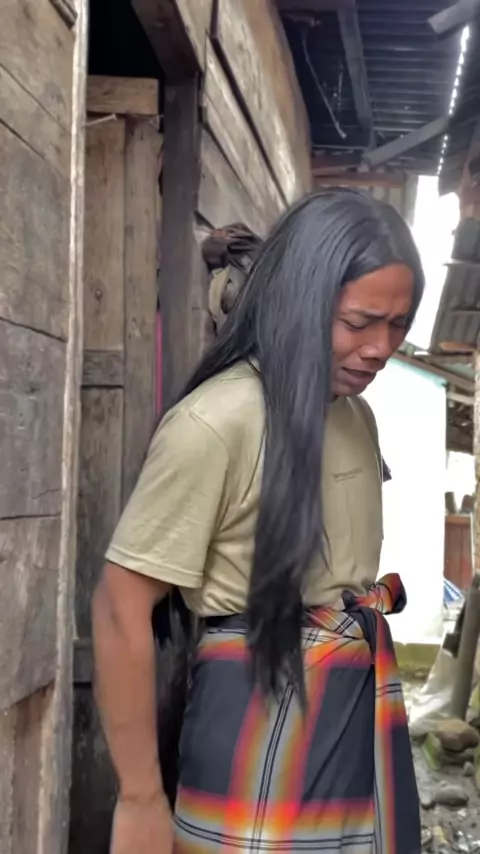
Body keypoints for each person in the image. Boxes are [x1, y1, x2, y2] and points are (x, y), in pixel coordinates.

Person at [92, 189, 425, 854]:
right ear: (299, 299)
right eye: (359, 322)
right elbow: (119, 605)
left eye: (397, 325)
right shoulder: (218, 421)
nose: (380, 348)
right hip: (258, 710)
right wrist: (140, 797)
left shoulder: (355, 415)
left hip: (351, 704)